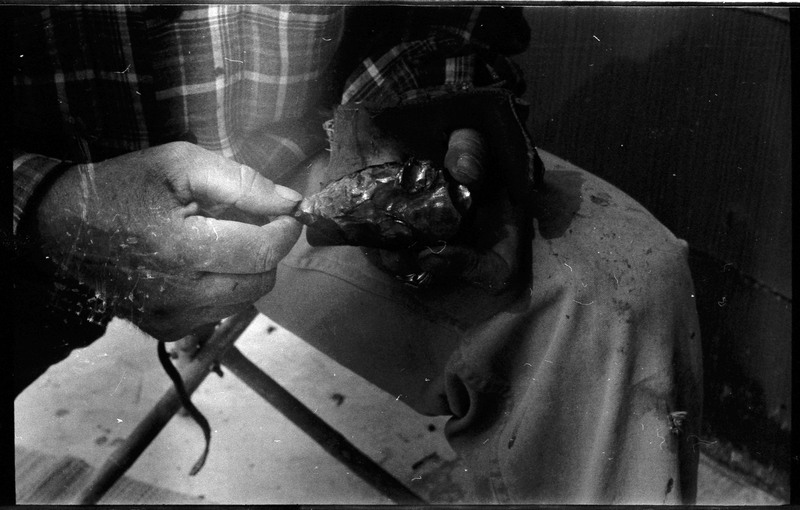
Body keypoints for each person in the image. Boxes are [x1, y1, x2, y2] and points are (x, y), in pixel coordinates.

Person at [11, 5, 702, 504]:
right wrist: (43, 204)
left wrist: (416, 110)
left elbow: (446, 20)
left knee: (617, 289)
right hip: (31, 202)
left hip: (296, 161)